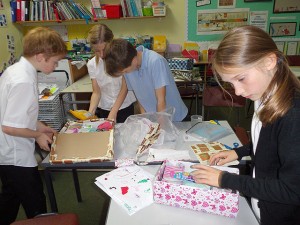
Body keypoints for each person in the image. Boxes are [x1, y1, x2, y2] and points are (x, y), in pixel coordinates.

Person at [190, 25, 300, 225]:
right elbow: (270, 141)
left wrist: (225, 180)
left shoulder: (293, 115)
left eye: (240, 79)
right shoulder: (265, 94)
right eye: (231, 83)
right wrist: (240, 152)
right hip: (261, 205)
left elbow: (292, 191)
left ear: (269, 61)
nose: (238, 91)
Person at [0, 27, 67, 225]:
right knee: (36, 202)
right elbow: (9, 127)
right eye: (55, 62)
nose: (55, 66)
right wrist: (37, 135)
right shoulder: (23, 81)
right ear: (40, 57)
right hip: (14, 154)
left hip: (7, 151)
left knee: (11, 196)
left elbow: (17, 112)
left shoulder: (17, 70)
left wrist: (39, 125)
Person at [103, 38, 188, 122]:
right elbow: (140, 96)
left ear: (134, 60)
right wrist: (145, 120)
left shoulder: (155, 62)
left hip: (175, 118)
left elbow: (161, 101)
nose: (125, 73)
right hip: (155, 119)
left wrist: (162, 128)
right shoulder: (128, 66)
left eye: (125, 71)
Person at [87, 24, 136, 123]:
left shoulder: (120, 59)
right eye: (97, 51)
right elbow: (96, 92)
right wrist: (90, 114)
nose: (101, 54)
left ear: (111, 42)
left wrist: (113, 112)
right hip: (105, 109)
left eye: (104, 49)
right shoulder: (92, 64)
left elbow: (124, 88)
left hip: (124, 106)